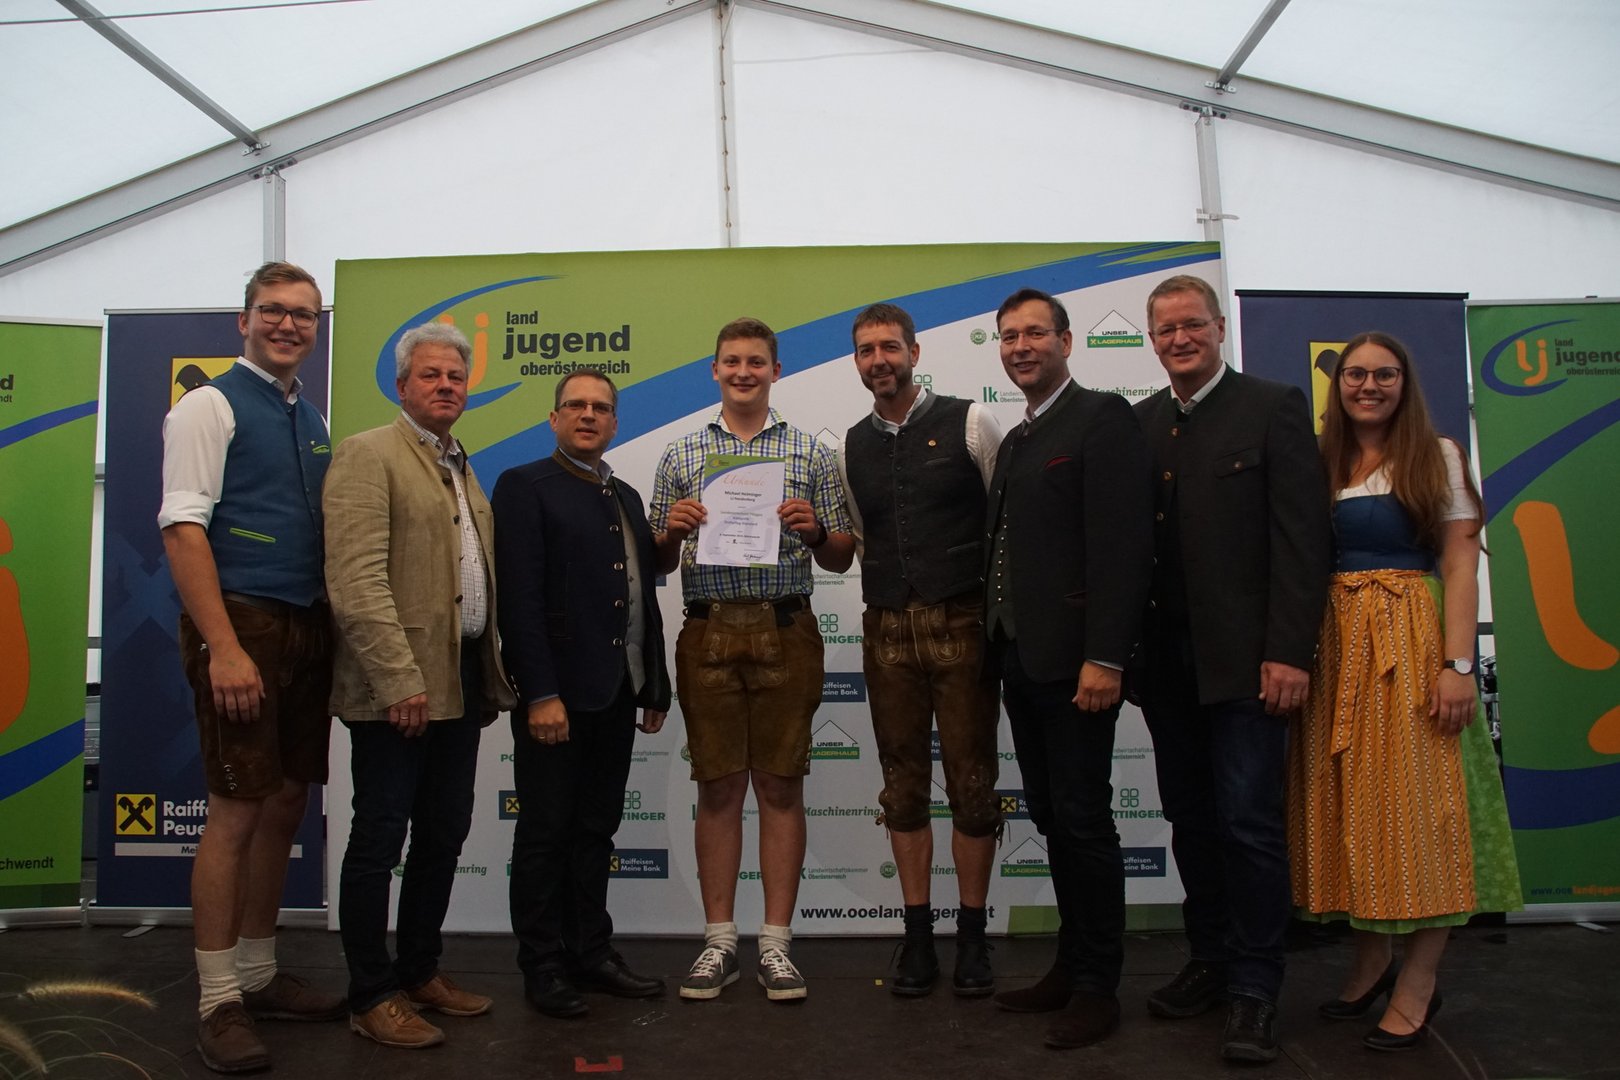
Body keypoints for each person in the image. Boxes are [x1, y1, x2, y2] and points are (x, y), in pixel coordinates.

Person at [1288, 332, 1521, 1051]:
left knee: (1422, 814)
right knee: (1356, 810)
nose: (1369, 386)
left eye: (1384, 374)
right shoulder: (1322, 459)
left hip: (1410, 640)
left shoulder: (1437, 454)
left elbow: (1460, 565)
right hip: (1337, 646)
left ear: (1404, 382)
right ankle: (1371, 963)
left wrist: (1457, 665)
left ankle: (1418, 982)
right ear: (1338, 386)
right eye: (1355, 374)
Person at [1133, 274, 1333, 1063]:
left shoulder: (1273, 407)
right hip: (1166, 667)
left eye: (1193, 324)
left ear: (1219, 328)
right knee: (1191, 821)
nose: (1180, 339)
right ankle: (1210, 959)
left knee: (1249, 826)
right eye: (1166, 329)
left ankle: (1255, 987)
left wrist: (1290, 650)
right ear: (1151, 340)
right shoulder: (1142, 423)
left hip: (1251, 666)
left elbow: (1302, 542)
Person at [159, 261, 346, 1074]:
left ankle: (260, 974)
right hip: (242, 623)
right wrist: (224, 647)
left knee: (285, 802)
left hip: (306, 624)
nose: (288, 325)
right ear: (244, 320)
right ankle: (218, 999)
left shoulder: (311, 415)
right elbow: (182, 529)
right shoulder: (208, 405)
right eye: (273, 311)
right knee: (235, 810)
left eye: (303, 315)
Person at [650, 316, 854, 1003]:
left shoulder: (810, 452)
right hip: (707, 629)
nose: (743, 372)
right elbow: (656, 558)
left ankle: (775, 944)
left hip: (784, 628)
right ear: (715, 370)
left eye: (756, 361)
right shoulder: (682, 453)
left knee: (780, 786)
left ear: (775, 370)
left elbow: (841, 554)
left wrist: (815, 531)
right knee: (717, 788)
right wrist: (670, 532)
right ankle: (718, 943)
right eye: (732, 361)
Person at [324, 322, 517, 1049]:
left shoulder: (460, 463)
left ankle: (418, 970)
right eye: (430, 375)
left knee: (442, 833)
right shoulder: (368, 454)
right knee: (379, 837)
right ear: (402, 385)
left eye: (455, 377)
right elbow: (355, 581)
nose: (445, 385)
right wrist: (398, 679)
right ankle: (370, 995)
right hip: (397, 684)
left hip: (458, 677)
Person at [983, 288, 1153, 1049]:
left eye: (1035, 334)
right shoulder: (1019, 437)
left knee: (1084, 821)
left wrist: (1106, 656)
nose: (1021, 347)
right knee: (1053, 818)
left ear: (1067, 341)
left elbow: (1123, 546)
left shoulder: (1102, 418)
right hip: (1022, 660)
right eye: (1009, 336)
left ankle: (1097, 986)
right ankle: (1069, 963)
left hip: (1080, 665)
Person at [492, 369, 671, 1019]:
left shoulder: (624, 494)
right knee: (546, 832)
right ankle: (542, 965)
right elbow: (519, 600)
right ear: (554, 418)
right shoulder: (524, 486)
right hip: (557, 698)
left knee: (596, 830)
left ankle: (590, 953)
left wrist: (654, 684)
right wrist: (540, 693)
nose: (588, 415)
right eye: (576, 406)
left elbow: (641, 596)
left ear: (615, 423)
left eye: (600, 407)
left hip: (617, 690)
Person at [839, 303, 1003, 998]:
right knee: (902, 786)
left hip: (963, 622)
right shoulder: (851, 444)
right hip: (887, 630)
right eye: (866, 350)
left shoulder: (971, 421)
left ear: (914, 351)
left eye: (889, 347)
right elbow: (859, 537)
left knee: (973, 785)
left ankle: (972, 934)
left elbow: (1002, 523)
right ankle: (917, 935)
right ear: (857, 361)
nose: (879, 359)